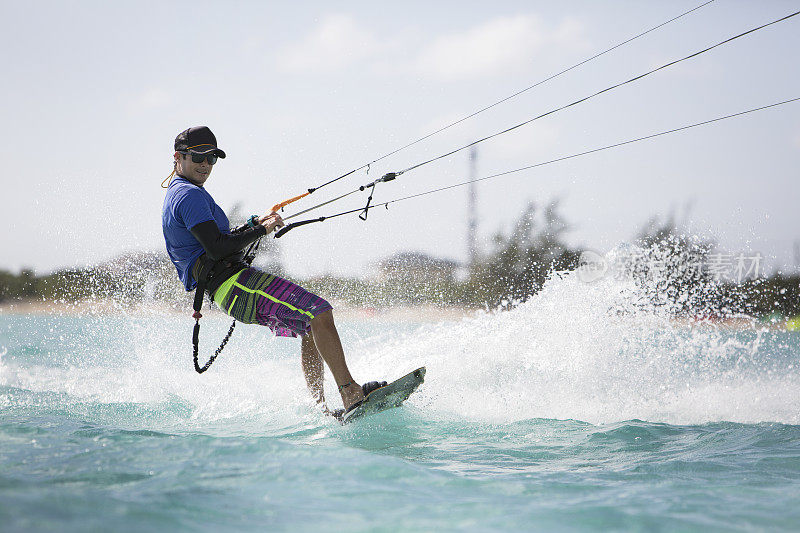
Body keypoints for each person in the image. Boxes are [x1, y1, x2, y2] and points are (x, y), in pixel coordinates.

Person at [161, 126, 384, 416]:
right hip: (234, 284)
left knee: (310, 326)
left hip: (230, 287)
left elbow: (217, 242)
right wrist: (261, 229)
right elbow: (217, 248)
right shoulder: (188, 195)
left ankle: (320, 409)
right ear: (179, 157)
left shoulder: (186, 192)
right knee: (319, 311)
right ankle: (351, 393)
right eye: (198, 157)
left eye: (211, 159)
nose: (205, 165)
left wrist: (254, 225)